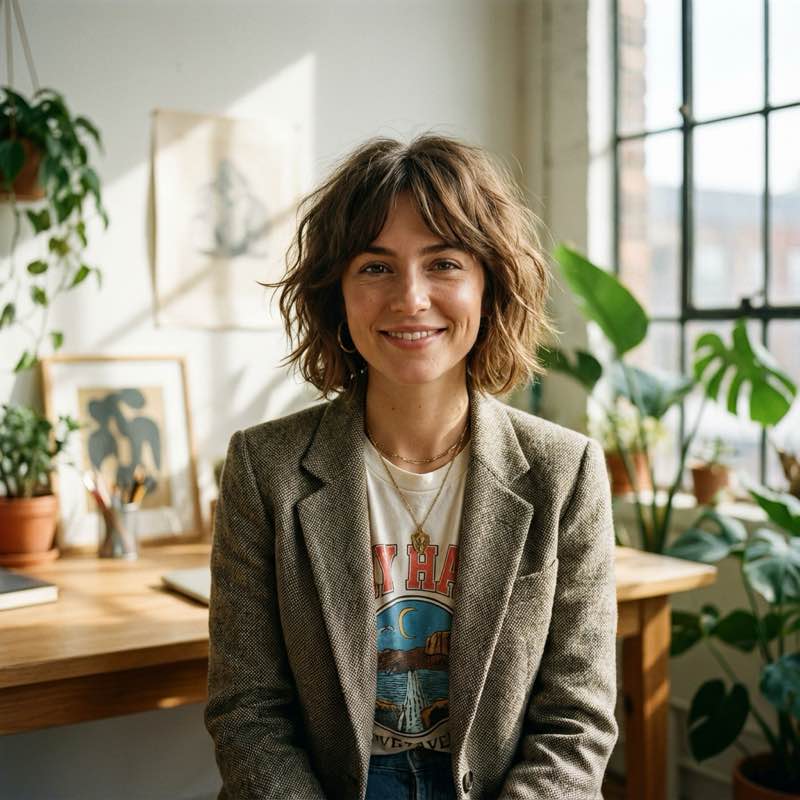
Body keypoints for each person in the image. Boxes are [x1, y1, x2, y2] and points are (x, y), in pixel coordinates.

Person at [204, 133, 618, 800]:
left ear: (491, 285)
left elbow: (576, 721)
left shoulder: (564, 473)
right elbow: (248, 714)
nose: (411, 298)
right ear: (336, 291)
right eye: (375, 267)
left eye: (444, 263)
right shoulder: (264, 468)